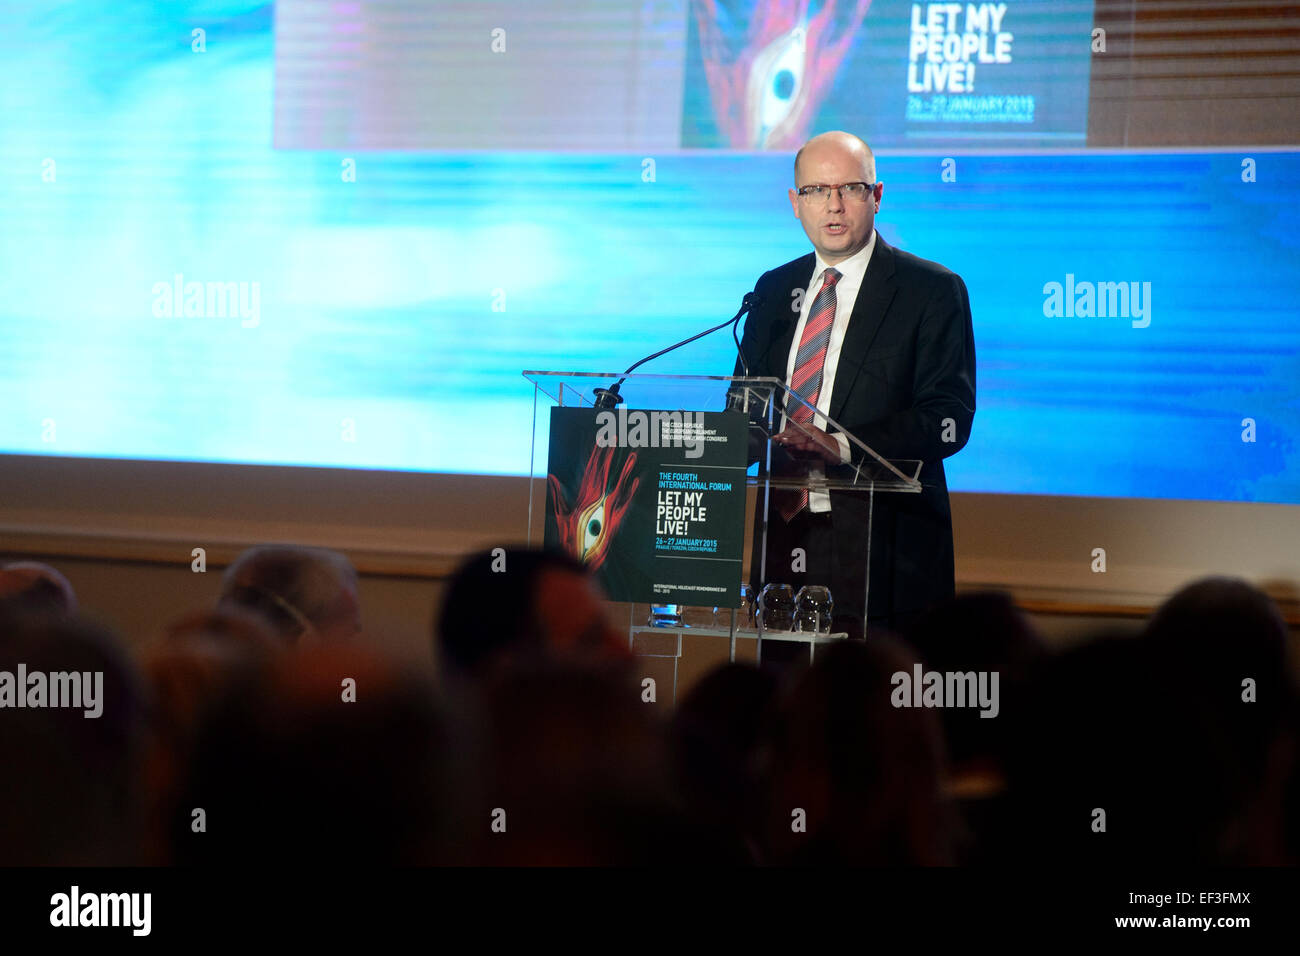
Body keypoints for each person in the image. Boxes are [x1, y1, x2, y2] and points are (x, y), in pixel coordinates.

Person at [734, 130, 975, 638]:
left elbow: (947, 418)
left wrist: (840, 445)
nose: (834, 205)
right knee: (784, 706)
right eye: (816, 191)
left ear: (878, 195)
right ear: (795, 204)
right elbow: (747, 408)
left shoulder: (931, 291)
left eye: (850, 189)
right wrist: (704, 447)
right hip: (780, 542)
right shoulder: (774, 291)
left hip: (884, 549)